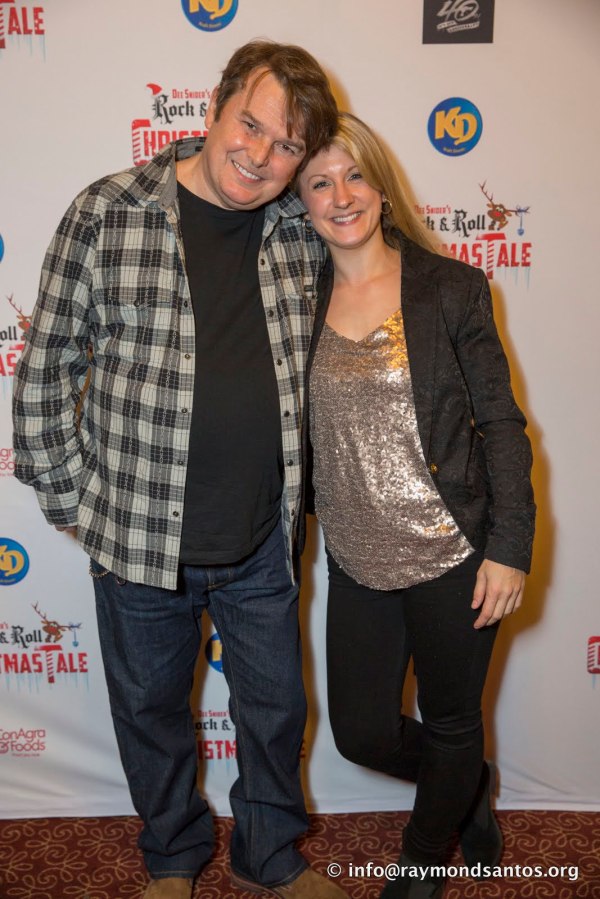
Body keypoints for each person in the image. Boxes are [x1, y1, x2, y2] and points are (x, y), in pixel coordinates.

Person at [12, 41, 349, 899]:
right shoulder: (108, 211)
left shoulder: (300, 228)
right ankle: (171, 854)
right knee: (151, 713)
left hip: (262, 537)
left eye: (287, 146)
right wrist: (75, 504)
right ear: (216, 105)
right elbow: (46, 368)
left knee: (275, 712)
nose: (261, 156)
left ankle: (270, 853)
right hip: (135, 539)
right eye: (251, 125)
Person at [297, 113, 536, 899]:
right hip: (356, 558)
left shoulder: (451, 287)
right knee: (361, 733)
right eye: (320, 182)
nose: (341, 196)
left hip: (454, 551)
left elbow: (501, 424)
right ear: (301, 201)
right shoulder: (295, 299)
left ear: (381, 186)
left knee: (453, 717)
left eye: (354, 175)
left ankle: (426, 853)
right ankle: (467, 780)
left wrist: (509, 546)